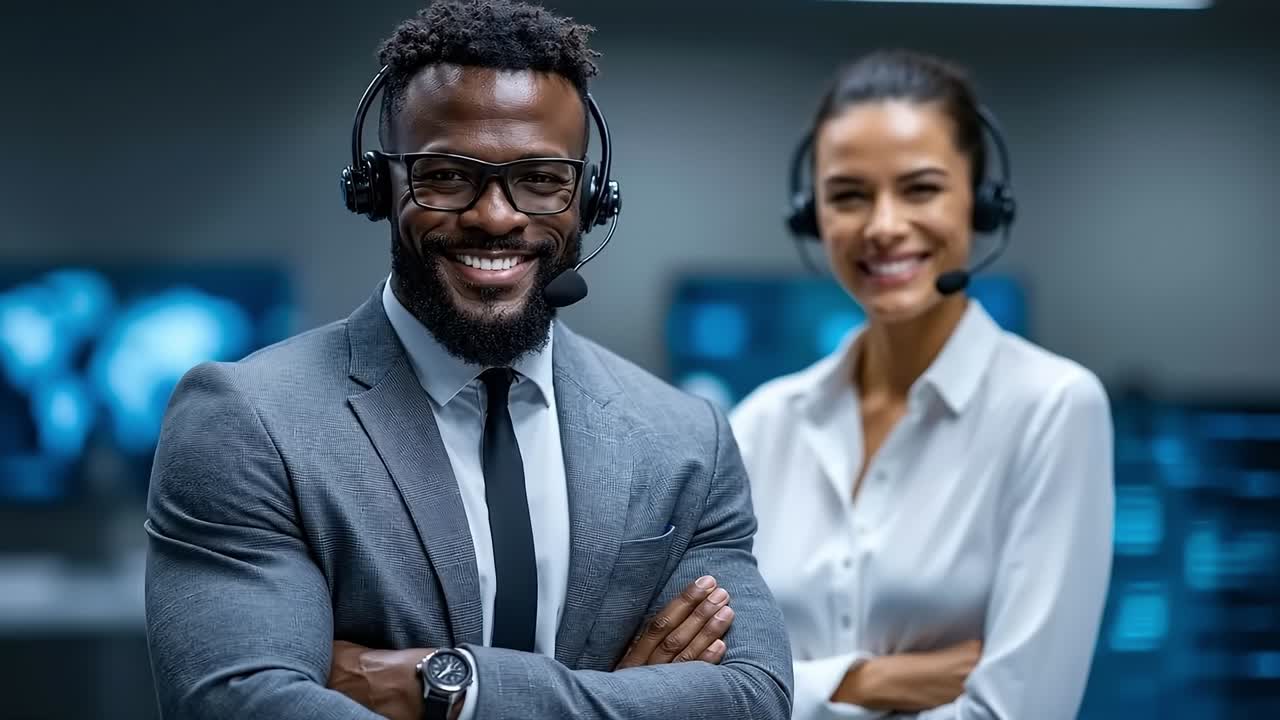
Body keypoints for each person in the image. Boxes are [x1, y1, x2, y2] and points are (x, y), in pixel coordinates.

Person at [143, 2, 793, 719]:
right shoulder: (247, 423)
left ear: (591, 199)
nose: (496, 216)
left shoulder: (685, 440)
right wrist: (620, 698)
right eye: (447, 175)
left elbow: (750, 697)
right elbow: (242, 705)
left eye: (542, 178)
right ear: (377, 187)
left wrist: (453, 686)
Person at [729, 49, 1114, 719]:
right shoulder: (763, 424)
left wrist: (788, 689)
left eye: (920, 188)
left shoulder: (1054, 409)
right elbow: (702, 688)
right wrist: (867, 683)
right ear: (810, 215)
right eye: (849, 195)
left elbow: (1017, 712)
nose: (883, 226)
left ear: (982, 202)